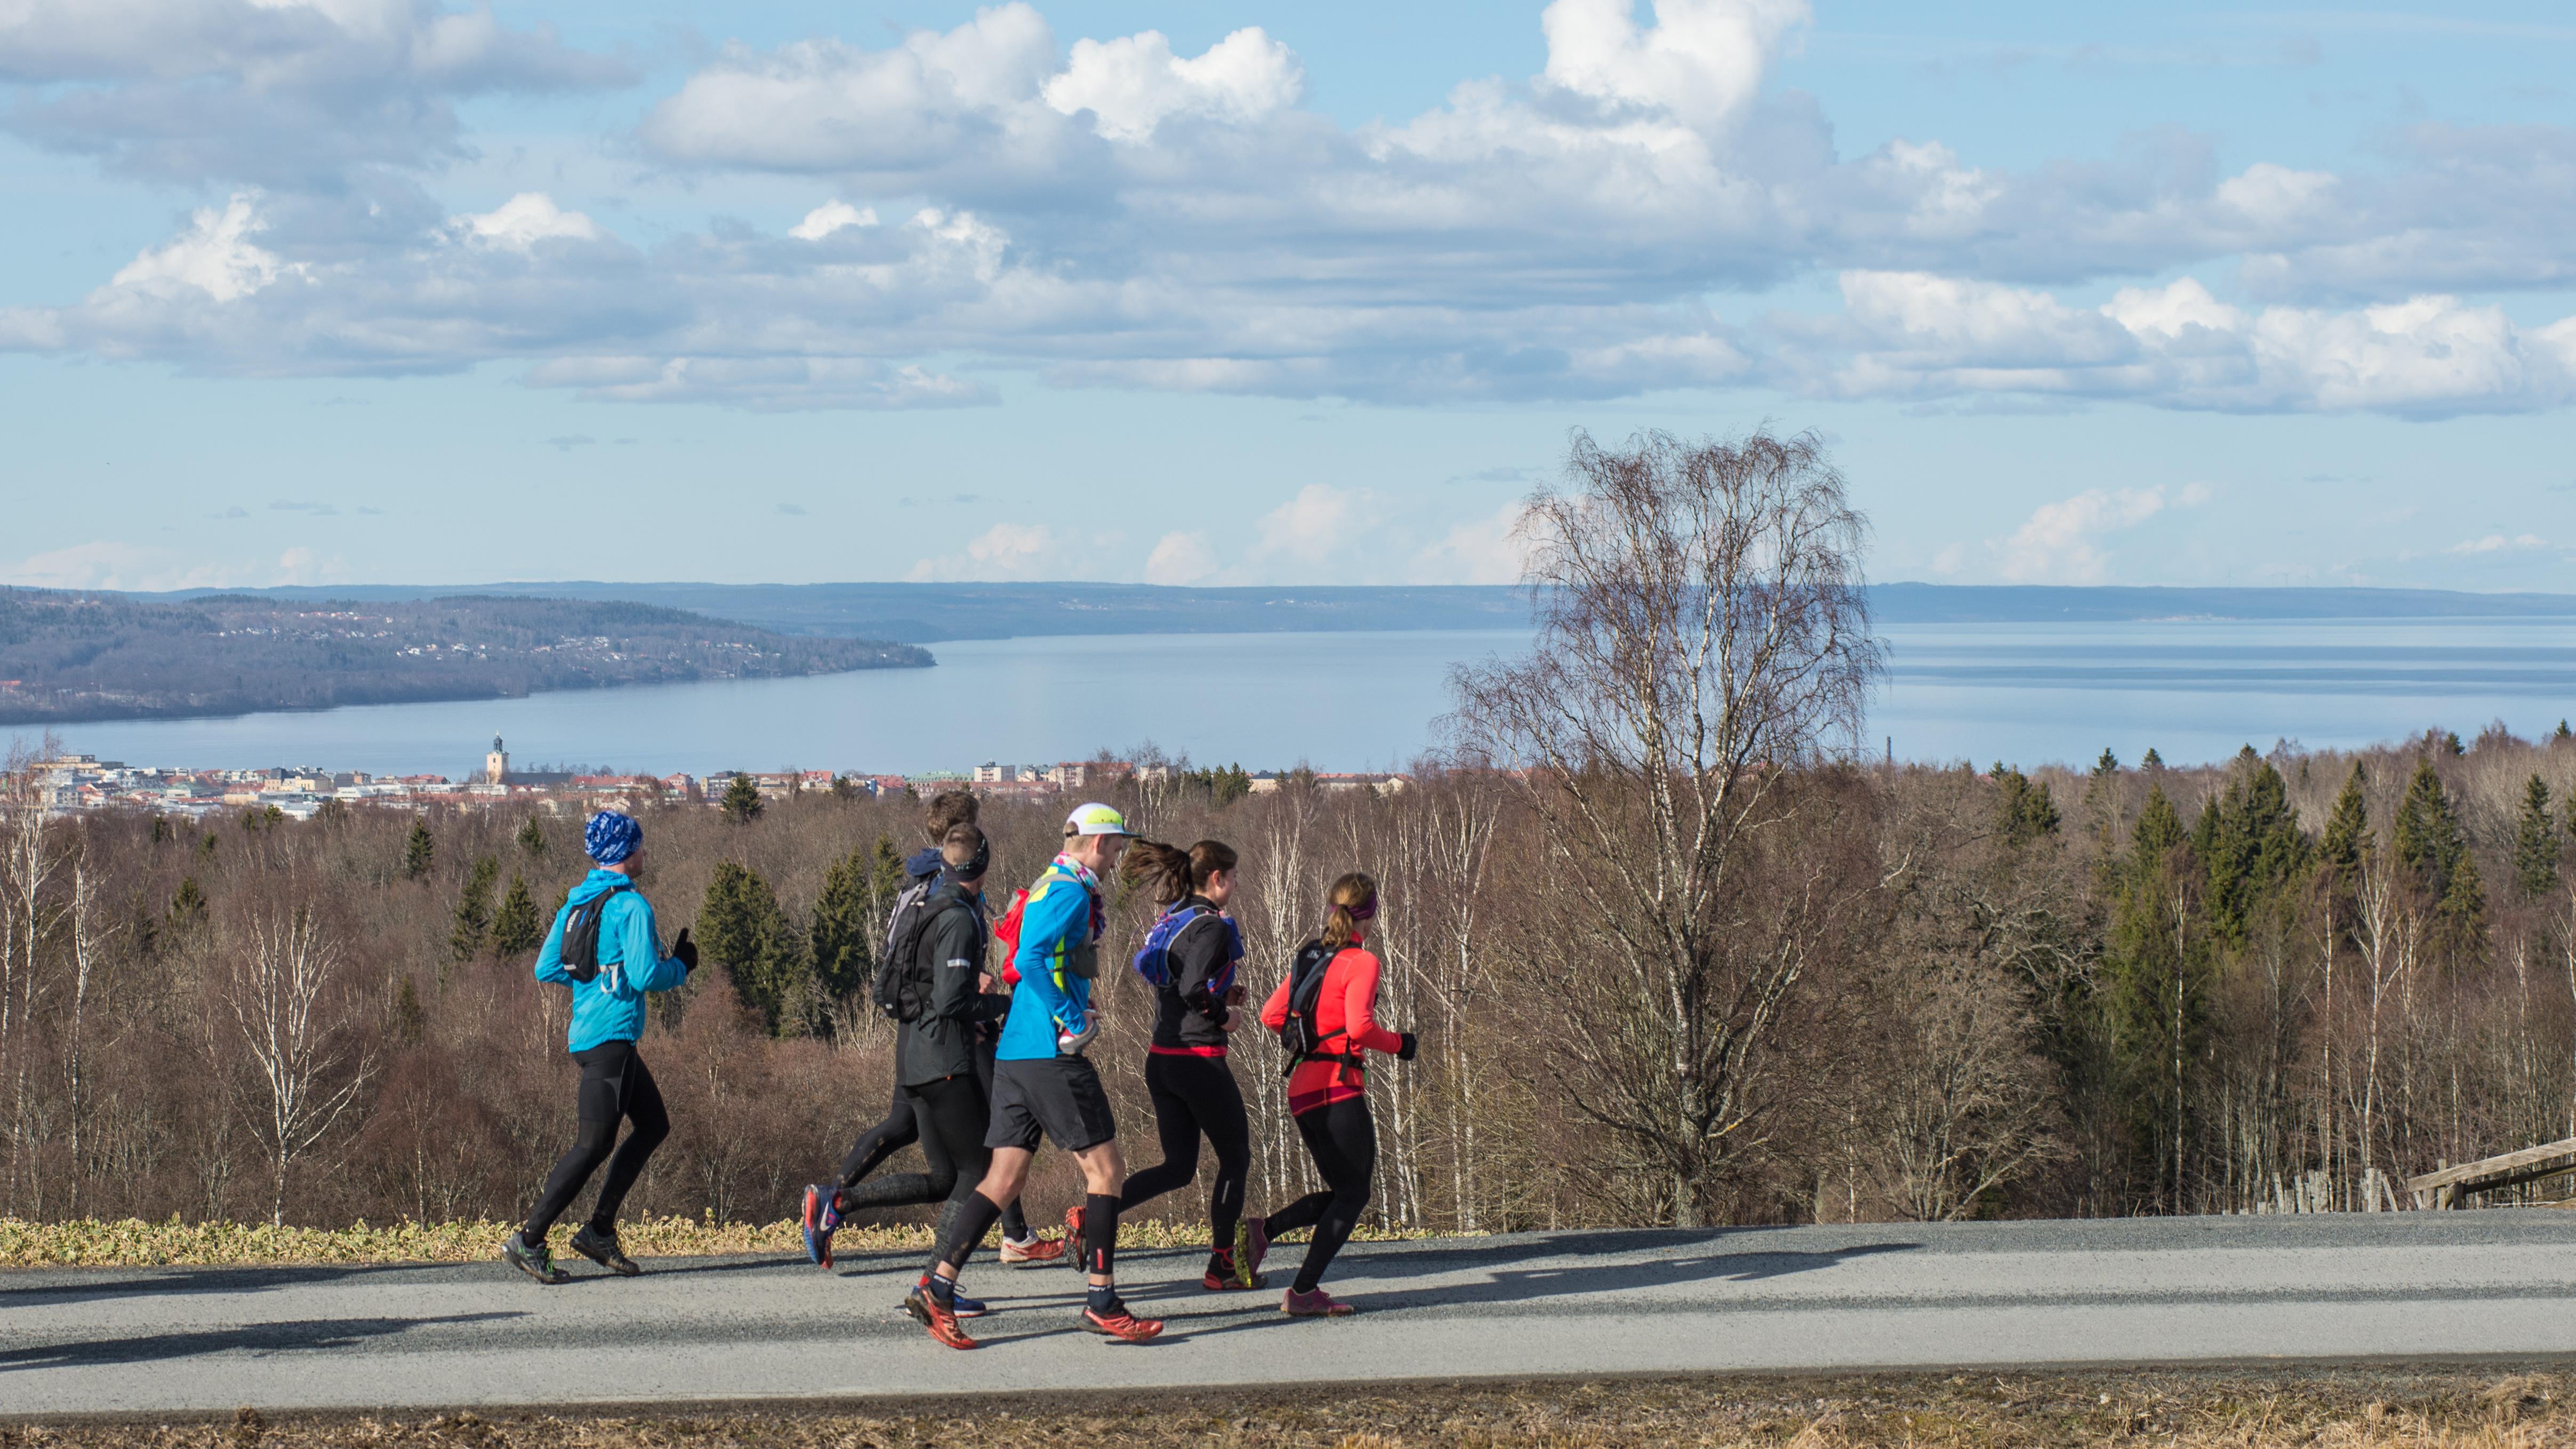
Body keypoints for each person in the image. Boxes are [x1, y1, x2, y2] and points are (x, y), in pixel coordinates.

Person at [906, 802, 1162, 1349]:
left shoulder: (1053, 881)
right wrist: (1071, 1016)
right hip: (1049, 1052)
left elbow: (1030, 959)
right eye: (1116, 846)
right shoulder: (1071, 889)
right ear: (1097, 843)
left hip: (1017, 1052)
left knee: (1003, 1179)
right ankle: (1102, 1300)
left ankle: (937, 1285)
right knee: (1107, 1171)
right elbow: (1030, 954)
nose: (1118, 857)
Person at [801, 791, 1058, 1269]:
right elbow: (947, 984)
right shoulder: (951, 895)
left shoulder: (918, 887)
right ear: (964, 837)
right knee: (989, 1143)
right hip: (949, 1031)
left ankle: (835, 1199)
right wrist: (990, 1000)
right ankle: (993, 1246)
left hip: (920, 1032)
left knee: (934, 1155)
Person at [825, 823, 1016, 1317]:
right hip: (944, 1063)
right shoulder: (957, 917)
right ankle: (936, 1285)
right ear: (984, 864)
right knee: (979, 1171)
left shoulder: (924, 906)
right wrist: (1000, 1004)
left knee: (944, 1176)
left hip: (914, 1061)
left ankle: (842, 1202)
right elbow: (953, 999)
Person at [504, 810, 697, 1284]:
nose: (645, 852)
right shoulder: (631, 907)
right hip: (609, 1038)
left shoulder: (577, 903)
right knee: (592, 1145)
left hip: (600, 1037)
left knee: (653, 1124)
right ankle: (529, 1240)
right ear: (625, 852)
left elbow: (547, 968)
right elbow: (647, 975)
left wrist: (595, 973)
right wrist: (683, 966)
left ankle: (600, 1231)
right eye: (640, 845)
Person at [1247, 871, 1417, 1317]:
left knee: (1345, 1190)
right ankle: (1302, 1290)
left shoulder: (1312, 957)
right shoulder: (1362, 961)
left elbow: (1270, 1014)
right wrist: (1401, 1043)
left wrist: (1311, 1037)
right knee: (1354, 1194)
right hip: (1339, 1087)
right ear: (1370, 913)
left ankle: (1264, 1230)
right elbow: (1361, 1026)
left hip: (1302, 1088)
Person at [1114, 837, 1263, 1291]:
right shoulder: (1212, 926)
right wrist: (1226, 1016)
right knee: (1236, 1158)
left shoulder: (1174, 919)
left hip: (1162, 1059)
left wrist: (1218, 996)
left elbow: (1179, 983)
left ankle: (1093, 1212)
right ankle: (1221, 1265)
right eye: (1233, 877)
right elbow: (1192, 988)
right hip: (1198, 1061)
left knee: (1178, 1167)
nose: (1236, 885)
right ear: (1217, 878)